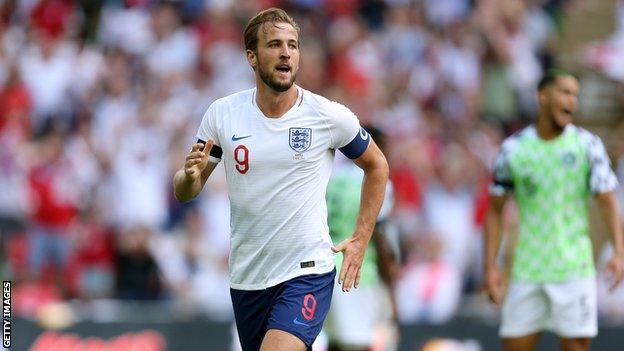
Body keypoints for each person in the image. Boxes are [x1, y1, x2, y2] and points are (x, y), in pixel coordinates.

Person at [172, 8, 389, 351]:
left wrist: (361, 239)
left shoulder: (326, 115)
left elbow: (377, 165)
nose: (286, 52)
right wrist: (188, 176)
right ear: (252, 57)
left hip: (307, 271)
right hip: (248, 276)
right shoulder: (223, 114)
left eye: (293, 45)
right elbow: (187, 190)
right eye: (274, 44)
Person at [484, 69, 624, 351]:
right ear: (543, 97)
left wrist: (619, 252)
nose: (572, 100)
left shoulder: (587, 145)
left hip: (574, 268)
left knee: (576, 346)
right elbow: (495, 210)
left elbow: (607, 201)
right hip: (528, 269)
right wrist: (491, 266)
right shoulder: (514, 150)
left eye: (575, 95)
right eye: (565, 92)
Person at [324, 126, 399, 351]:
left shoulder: (332, 176)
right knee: (357, 342)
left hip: (325, 265)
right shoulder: (377, 180)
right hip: (357, 270)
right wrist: (390, 279)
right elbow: (378, 231)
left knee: (336, 342)